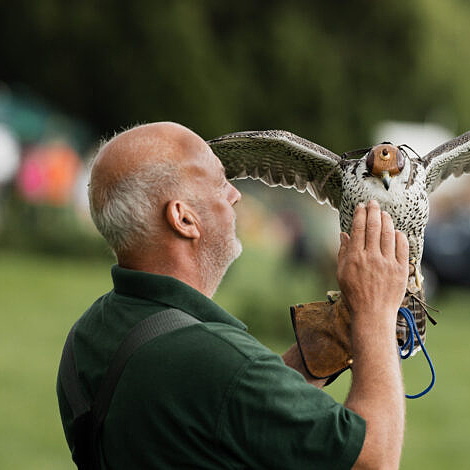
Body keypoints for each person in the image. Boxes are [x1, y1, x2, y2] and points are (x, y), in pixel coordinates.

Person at [56, 122, 409, 469]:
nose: (235, 194)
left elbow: (223, 408)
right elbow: (374, 460)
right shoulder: (215, 361)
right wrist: (375, 313)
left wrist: (330, 337)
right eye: (219, 182)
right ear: (183, 218)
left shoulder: (87, 337)